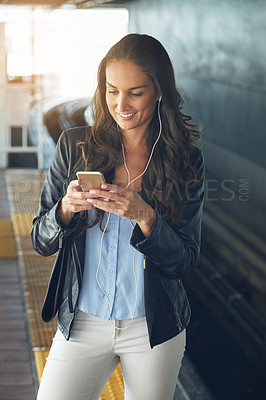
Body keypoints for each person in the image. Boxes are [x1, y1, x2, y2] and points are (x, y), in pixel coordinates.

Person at [31, 33, 205, 400]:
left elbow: (184, 261)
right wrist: (64, 210)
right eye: (112, 91)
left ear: (159, 91)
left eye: (135, 92)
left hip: (152, 331)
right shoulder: (74, 147)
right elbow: (40, 240)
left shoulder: (184, 161)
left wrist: (146, 217)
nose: (121, 104)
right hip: (82, 322)